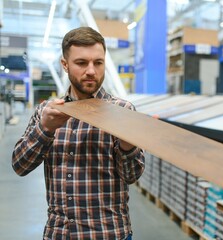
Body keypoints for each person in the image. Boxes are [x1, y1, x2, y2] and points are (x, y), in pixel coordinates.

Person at [12, 27, 145, 240]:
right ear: (65, 65)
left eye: (98, 63)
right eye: (82, 63)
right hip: (59, 233)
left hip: (109, 233)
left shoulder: (122, 111)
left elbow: (132, 176)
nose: (91, 71)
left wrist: (127, 145)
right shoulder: (48, 111)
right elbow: (20, 166)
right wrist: (45, 130)